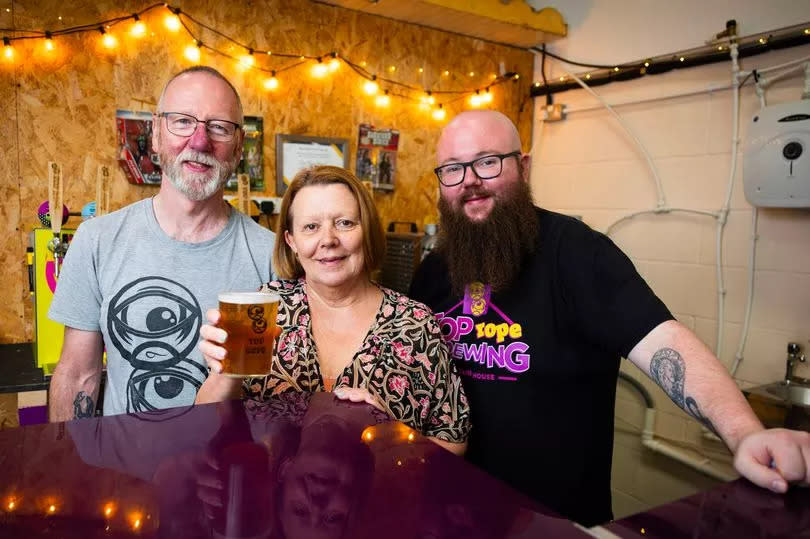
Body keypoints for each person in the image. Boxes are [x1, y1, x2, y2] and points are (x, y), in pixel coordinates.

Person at [408, 110, 810, 526]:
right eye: (453, 169)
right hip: (451, 514)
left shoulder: (578, 254)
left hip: (555, 524)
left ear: (523, 167)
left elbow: (664, 344)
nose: (470, 179)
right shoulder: (435, 272)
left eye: (488, 161)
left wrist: (746, 435)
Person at [48, 66, 275, 420]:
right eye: (183, 121)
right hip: (124, 471)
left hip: (228, 470)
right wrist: (66, 467)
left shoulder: (272, 255)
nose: (199, 142)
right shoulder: (96, 240)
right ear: (155, 134)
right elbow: (79, 375)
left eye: (218, 127)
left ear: (239, 146)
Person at [196, 165, 471, 455]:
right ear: (292, 242)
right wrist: (224, 375)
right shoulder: (265, 310)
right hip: (272, 495)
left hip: (384, 496)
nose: (328, 239)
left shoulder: (415, 324)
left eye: (344, 223)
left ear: (367, 231)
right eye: (311, 227)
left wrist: (392, 437)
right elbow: (205, 427)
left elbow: (454, 441)